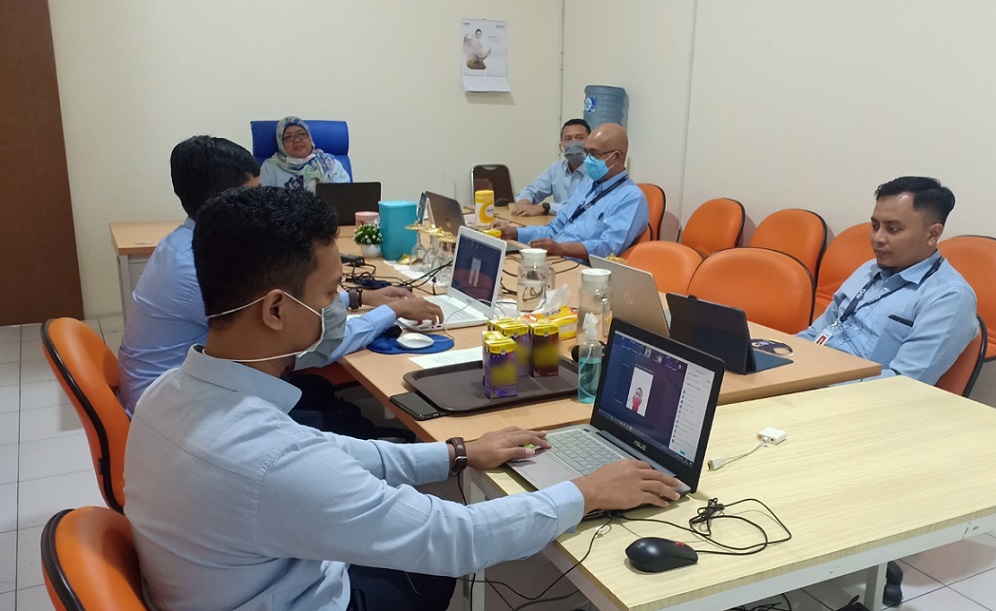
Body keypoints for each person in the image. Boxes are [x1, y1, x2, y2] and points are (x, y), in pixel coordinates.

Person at [124, 185, 682, 611]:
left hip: (249, 580)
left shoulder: (167, 395)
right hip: (308, 595)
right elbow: (457, 538)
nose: (341, 305)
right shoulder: (271, 464)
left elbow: (326, 452)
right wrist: (587, 491)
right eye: (330, 294)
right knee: (437, 569)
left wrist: (457, 453)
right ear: (275, 310)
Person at [118, 136, 442, 416]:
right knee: (344, 419)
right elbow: (308, 345)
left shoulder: (187, 243)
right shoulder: (196, 269)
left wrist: (357, 297)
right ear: (227, 203)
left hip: (177, 395)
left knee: (323, 399)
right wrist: (390, 312)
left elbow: (283, 310)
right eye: (254, 195)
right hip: (183, 414)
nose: (262, 205)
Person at [797, 176, 979, 384]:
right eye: (875, 226)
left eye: (893, 229)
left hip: (853, 395)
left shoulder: (949, 297)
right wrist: (780, 359)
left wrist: (818, 380)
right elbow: (816, 333)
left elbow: (902, 382)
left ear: (932, 234)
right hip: (811, 374)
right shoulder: (868, 269)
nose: (878, 238)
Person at [492, 123, 648, 261]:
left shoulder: (631, 198)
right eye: (587, 153)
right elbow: (554, 228)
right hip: (556, 258)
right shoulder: (588, 183)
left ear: (616, 157)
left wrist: (562, 248)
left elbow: (607, 248)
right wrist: (514, 233)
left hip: (582, 267)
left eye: (594, 154)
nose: (587, 160)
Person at [509, 118, 591, 217]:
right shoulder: (556, 169)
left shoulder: (598, 170)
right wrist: (524, 201)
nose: (573, 143)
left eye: (579, 138)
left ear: (591, 142)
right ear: (561, 146)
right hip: (558, 225)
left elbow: (585, 206)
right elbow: (532, 190)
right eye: (568, 139)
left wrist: (545, 208)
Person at [259, 116, 350, 193]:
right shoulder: (269, 168)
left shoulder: (329, 163)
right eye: (289, 137)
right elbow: (263, 201)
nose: (297, 140)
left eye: (301, 134)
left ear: (310, 138)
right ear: (281, 144)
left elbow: (345, 196)